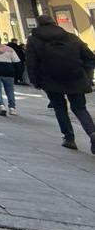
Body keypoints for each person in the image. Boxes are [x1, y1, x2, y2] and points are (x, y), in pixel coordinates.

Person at [25, 14, 95, 151]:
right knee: (80, 108)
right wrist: (86, 75)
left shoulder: (33, 40)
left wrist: (35, 81)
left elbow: (31, 63)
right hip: (75, 78)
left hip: (50, 80)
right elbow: (90, 57)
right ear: (54, 23)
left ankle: (68, 138)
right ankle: (92, 132)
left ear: (38, 24)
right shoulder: (71, 37)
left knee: (59, 108)